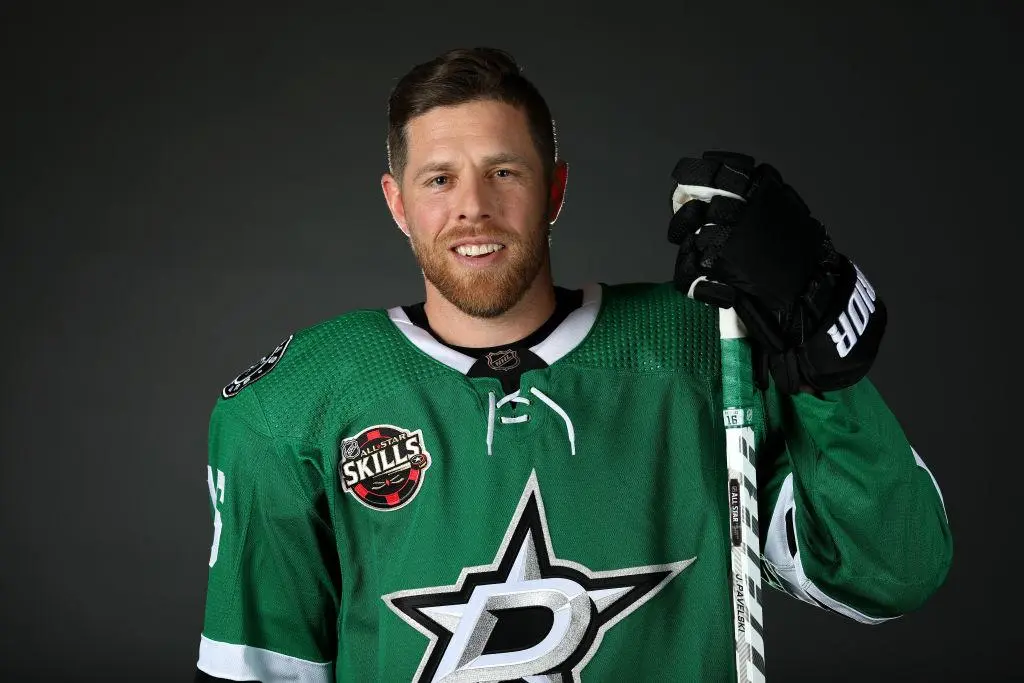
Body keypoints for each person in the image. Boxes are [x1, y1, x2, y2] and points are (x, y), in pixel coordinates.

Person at [194, 47, 951, 682]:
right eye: (439, 179)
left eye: (505, 172)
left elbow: (890, 571)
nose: (473, 208)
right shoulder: (295, 406)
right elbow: (260, 667)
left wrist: (821, 364)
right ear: (397, 203)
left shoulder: (702, 349)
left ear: (554, 188)